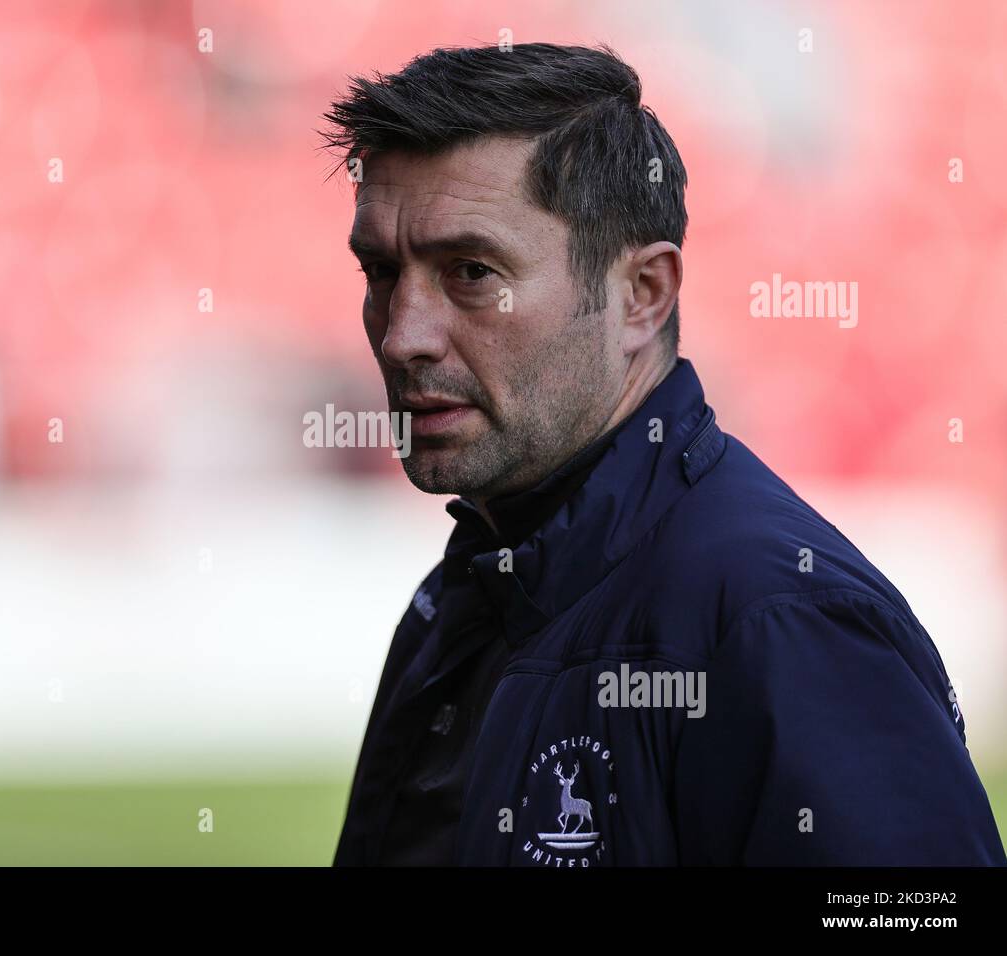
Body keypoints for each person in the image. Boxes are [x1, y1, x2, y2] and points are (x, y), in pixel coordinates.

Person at [323, 42, 1006, 866]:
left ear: (641, 296)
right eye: (381, 271)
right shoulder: (467, 595)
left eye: (472, 272)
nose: (403, 338)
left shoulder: (781, 623)